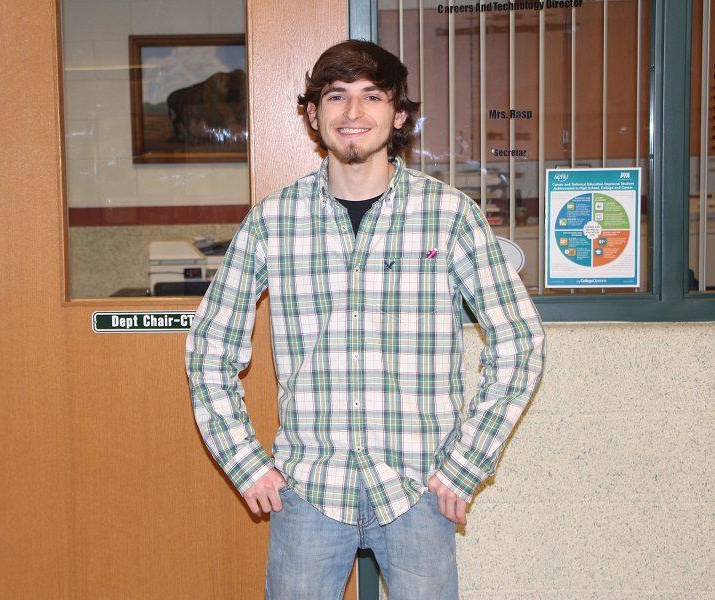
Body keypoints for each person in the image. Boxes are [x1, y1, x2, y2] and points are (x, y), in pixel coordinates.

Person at [184, 39, 546, 600]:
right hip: (307, 490)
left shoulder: (449, 217)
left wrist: (465, 465)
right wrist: (245, 462)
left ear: (398, 114)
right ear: (313, 113)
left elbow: (519, 344)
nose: (353, 114)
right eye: (336, 97)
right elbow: (210, 350)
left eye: (371, 96)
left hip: (419, 488)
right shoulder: (272, 222)